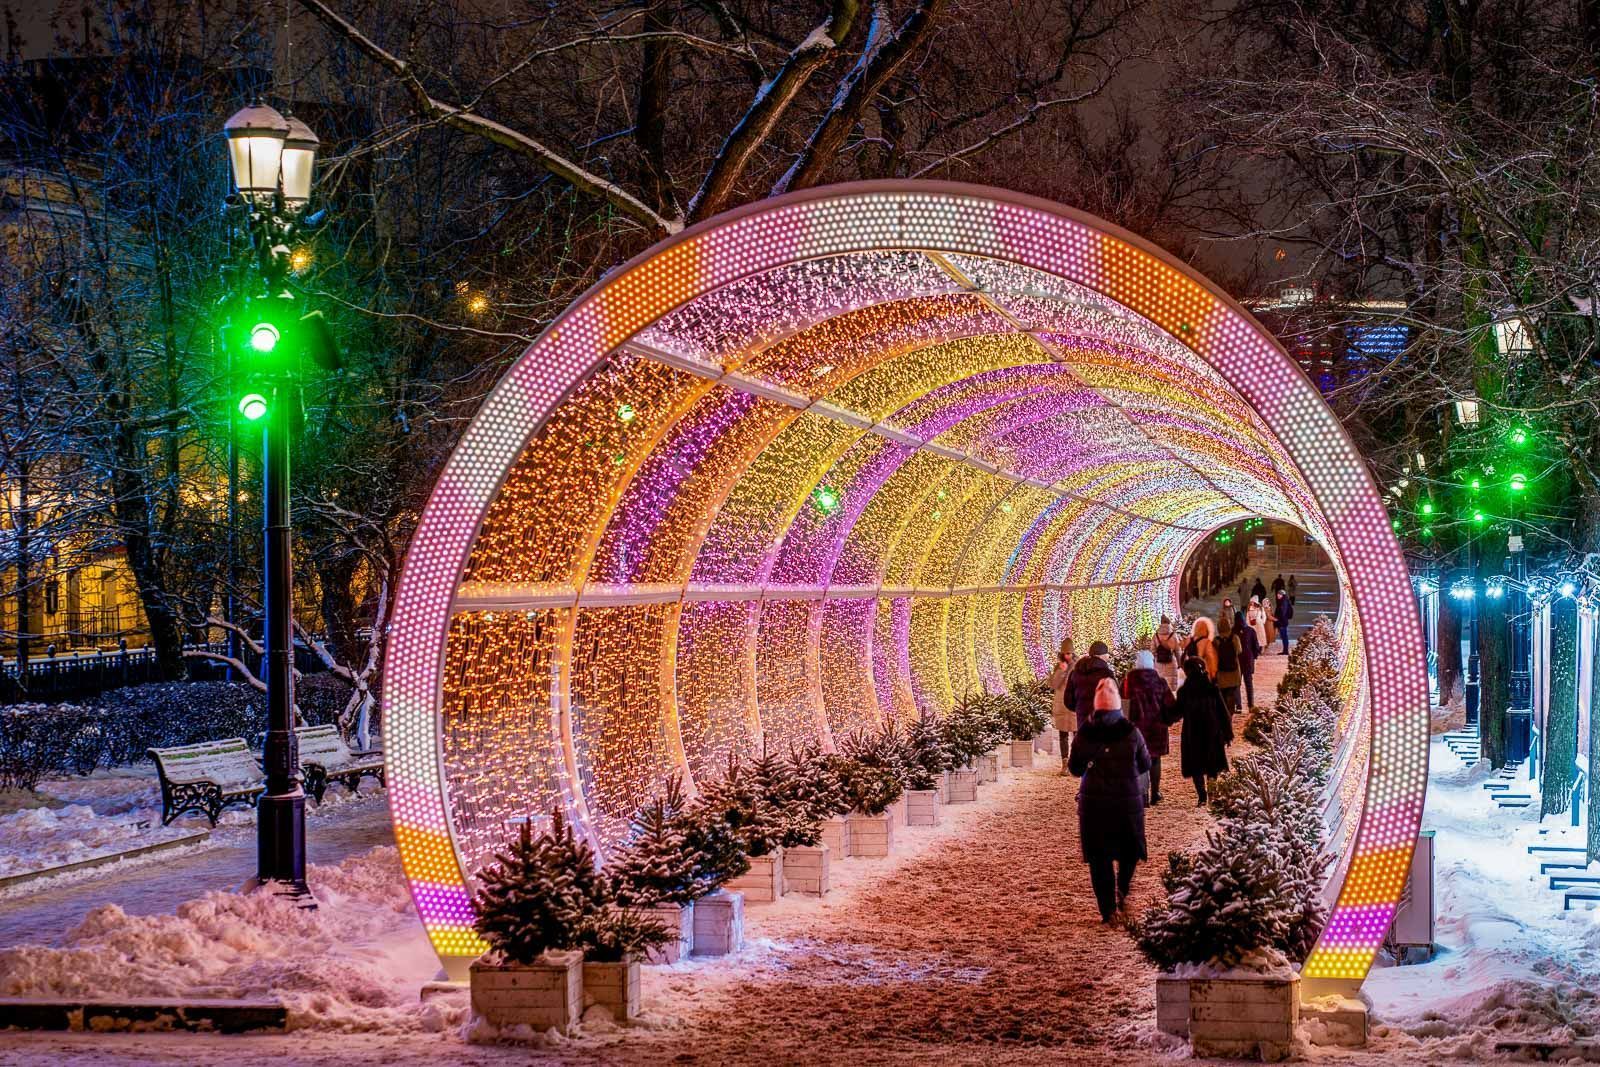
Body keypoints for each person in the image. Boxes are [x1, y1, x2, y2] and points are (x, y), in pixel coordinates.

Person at [1068, 677, 1151, 924]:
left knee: (1099, 857)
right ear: (1117, 706)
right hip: (1127, 802)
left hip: (1094, 805)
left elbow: (1074, 767)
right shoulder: (1132, 732)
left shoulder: (1086, 732)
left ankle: (1108, 910)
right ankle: (1122, 888)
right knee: (1129, 851)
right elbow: (1145, 763)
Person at [1171, 657, 1232, 805]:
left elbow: (1176, 713)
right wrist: (1227, 733)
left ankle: (1202, 796)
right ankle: (1212, 793)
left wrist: (1163, 716)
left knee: (1196, 765)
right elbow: (1223, 713)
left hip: (1193, 733)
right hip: (1213, 731)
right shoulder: (1212, 688)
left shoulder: (1184, 691)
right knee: (1212, 764)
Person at [1123, 650, 1175, 805]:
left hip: (1135, 728)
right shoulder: (1160, 682)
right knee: (1155, 760)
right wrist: (1169, 720)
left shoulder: (1128, 682)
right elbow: (1170, 705)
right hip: (1156, 728)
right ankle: (1155, 793)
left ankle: (1142, 795)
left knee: (1138, 760)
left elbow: (1122, 704)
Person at [1067, 640, 1116, 731]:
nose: (1108, 657)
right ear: (1102, 655)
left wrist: (1080, 708)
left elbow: (1068, 700)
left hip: (1082, 723)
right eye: (1107, 654)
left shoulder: (1075, 673)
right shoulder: (1106, 674)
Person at [1047, 637, 1076, 774]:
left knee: (1077, 735)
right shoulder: (1058, 666)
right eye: (1066, 653)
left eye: (1070, 653)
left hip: (1074, 704)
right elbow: (1053, 684)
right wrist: (1061, 671)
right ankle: (1064, 763)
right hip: (1062, 704)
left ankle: (1076, 763)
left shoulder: (1078, 666)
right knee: (1063, 735)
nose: (1068, 656)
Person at [1214, 615, 1244, 716]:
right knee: (1231, 693)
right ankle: (1230, 714)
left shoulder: (1216, 640)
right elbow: (1239, 651)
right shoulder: (1234, 637)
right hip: (1234, 671)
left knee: (1222, 694)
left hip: (1221, 672)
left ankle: (1223, 714)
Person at [1233, 607, 1261, 709]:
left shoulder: (1233, 632)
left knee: (1237, 684)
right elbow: (1256, 646)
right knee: (1248, 683)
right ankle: (1250, 705)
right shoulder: (1250, 630)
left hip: (1237, 660)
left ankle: (1238, 705)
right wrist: (1254, 656)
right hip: (1248, 660)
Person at [1153, 615, 1181, 689]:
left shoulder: (1156, 636)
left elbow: (1152, 651)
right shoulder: (1174, 635)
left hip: (1159, 664)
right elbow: (1178, 651)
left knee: (1160, 687)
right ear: (1169, 623)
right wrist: (1180, 664)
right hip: (1171, 663)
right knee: (1171, 688)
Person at [1275, 588, 1294, 654]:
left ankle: (1285, 651)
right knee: (1284, 636)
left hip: (1282, 622)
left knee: (1284, 636)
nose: (1278, 595)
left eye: (1279, 594)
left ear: (1282, 595)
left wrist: (1278, 620)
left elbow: (1282, 612)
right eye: (1277, 594)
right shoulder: (1283, 601)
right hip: (1283, 621)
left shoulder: (1283, 602)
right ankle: (1285, 650)